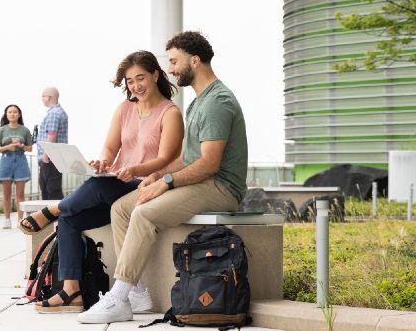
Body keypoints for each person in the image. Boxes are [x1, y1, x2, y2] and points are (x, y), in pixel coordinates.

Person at [77, 31, 249, 324]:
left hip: (221, 187)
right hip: (201, 181)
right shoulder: (198, 102)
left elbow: (208, 164)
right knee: (121, 208)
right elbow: (188, 158)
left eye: (174, 61)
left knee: (143, 213)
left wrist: (166, 182)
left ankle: (118, 298)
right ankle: (138, 293)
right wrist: (157, 174)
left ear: (194, 60)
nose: (170, 68)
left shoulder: (218, 101)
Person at [19, 51, 184, 314]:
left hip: (146, 186)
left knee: (95, 189)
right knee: (69, 219)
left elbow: (166, 157)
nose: (135, 86)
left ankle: (53, 209)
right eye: (130, 81)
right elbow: (110, 148)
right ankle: (71, 291)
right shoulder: (125, 109)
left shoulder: (170, 113)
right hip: (116, 184)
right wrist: (103, 163)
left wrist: (134, 169)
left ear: (155, 75)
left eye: (140, 78)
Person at [0, 104, 32, 229]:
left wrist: (21, 145)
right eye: (10, 112)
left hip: (20, 161)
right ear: (6, 114)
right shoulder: (2, 130)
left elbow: (30, 148)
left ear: (19, 114)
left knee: (20, 194)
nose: (12, 114)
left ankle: (20, 219)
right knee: (6, 194)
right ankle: (7, 219)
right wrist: (7, 147)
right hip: (6, 161)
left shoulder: (25, 130)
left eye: (15, 112)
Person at [37, 87, 68, 200]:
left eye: (43, 96)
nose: (42, 99)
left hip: (50, 157)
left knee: (52, 189)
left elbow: (52, 135)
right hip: (55, 157)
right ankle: (51, 216)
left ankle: (55, 216)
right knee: (49, 187)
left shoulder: (54, 113)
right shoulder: (58, 112)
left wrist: (46, 155)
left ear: (48, 97)